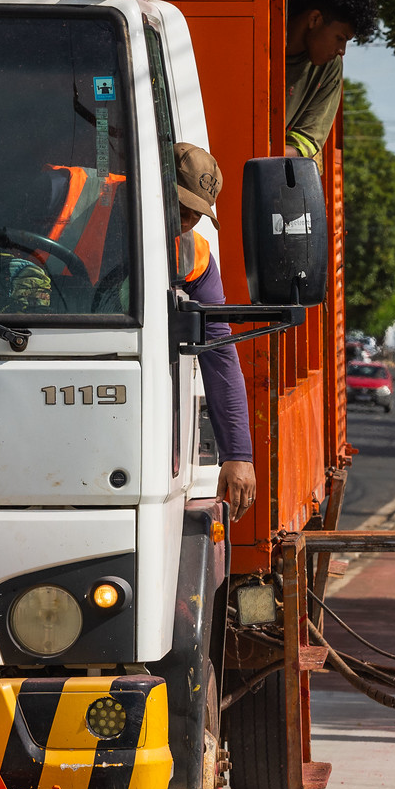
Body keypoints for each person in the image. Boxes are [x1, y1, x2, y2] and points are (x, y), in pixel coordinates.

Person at [171, 143, 257, 521]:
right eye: (181, 205)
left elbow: (220, 352)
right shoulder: (72, 194)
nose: (188, 219)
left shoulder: (195, 256)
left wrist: (238, 454)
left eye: (198, 213)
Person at [282, 0, 379, 160]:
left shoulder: (330, 69)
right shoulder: (256, 34)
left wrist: (263, 152)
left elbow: (307, 140)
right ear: (315, 19)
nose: (342, 50)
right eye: (340, 38)